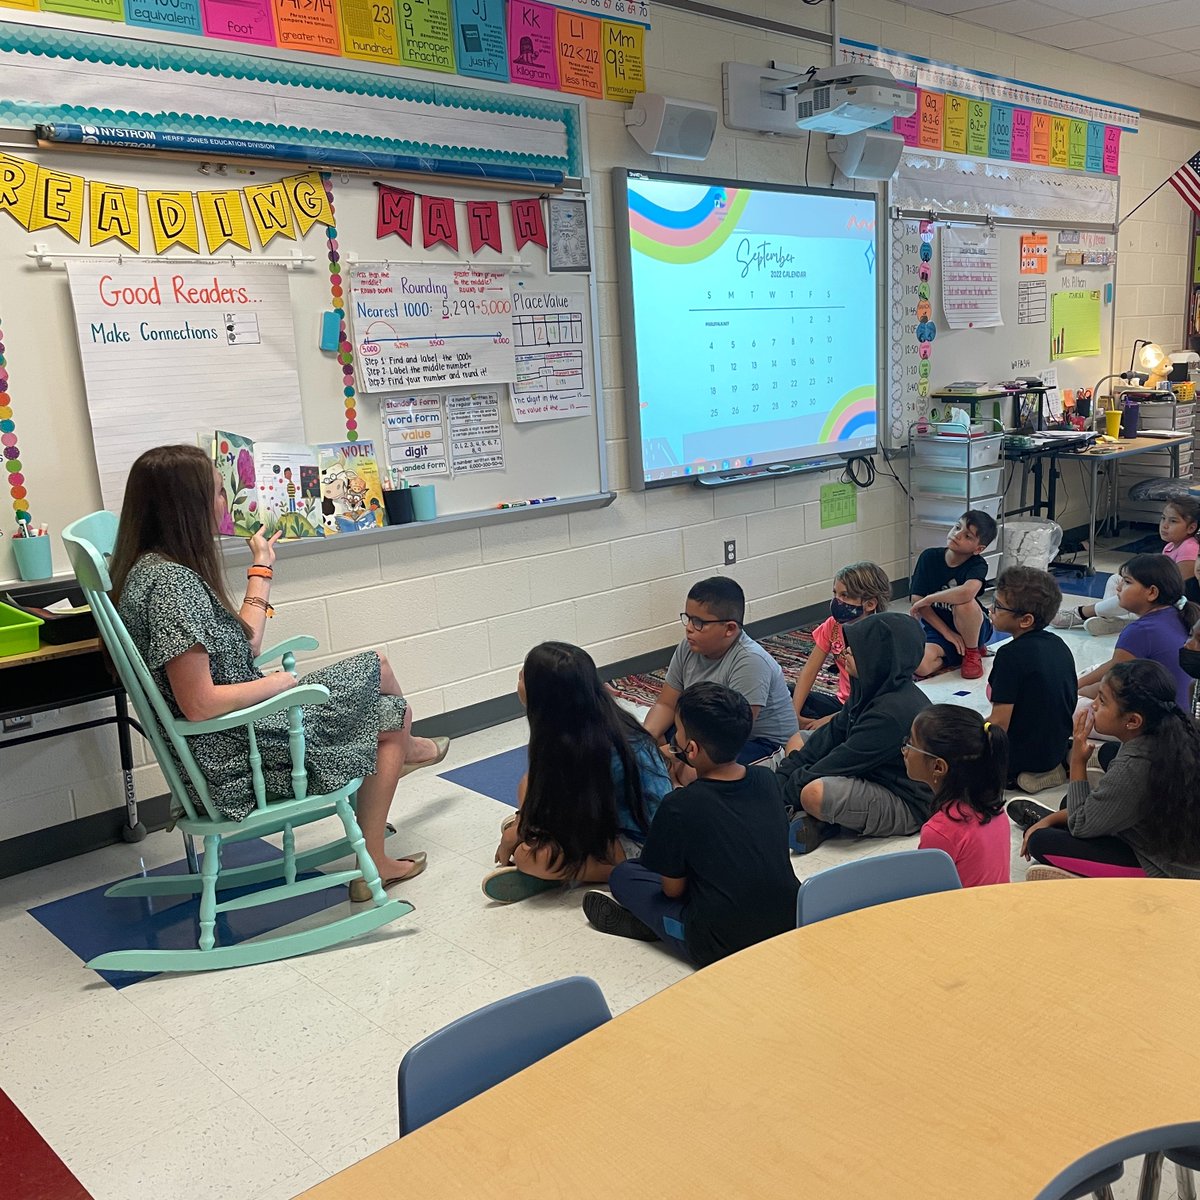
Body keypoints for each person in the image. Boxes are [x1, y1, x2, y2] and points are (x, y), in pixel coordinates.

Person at [111, 444, 446, 903]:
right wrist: (279, 685)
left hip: (233, 734)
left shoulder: (152, 570)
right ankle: (381, 842)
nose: (224, 503)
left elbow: (243, 645)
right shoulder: (172, 586)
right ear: (184, 506)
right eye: (215, 492)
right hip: (232, 754)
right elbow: (200, 702)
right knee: (389, 714)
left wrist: (261, 568)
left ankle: (405, 760)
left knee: (387, 700)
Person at [582, 682, 798, 968]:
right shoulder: (767, 780)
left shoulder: (679, 805)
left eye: (678, 732)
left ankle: (658, 928)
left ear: (691, 749)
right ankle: (659, 925)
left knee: (625, 876)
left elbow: (672, 890)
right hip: (790, 920)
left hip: (719, 943)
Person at [484, 642, 672, 903]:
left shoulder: (590, 745)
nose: (519, 680)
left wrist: (521, 832)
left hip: (642, 841)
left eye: (523, 676)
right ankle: (560, 859)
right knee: (528, 785)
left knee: (531, 855)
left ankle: (592, 871)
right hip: (602, 819)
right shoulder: (576, 726)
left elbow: (576, 812)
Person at [1020, 660, 1200, 880]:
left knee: (1042, 841)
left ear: (1133, 720)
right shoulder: (1171, 730)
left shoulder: (1133, 769)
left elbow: (1079, 826)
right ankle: (1068, 817)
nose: (1094, 705)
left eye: (1103, 701)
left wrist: (1077, 760)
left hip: (1166, 869)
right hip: (1172, 839)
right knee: (1077, 796)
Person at [775, 612, 933, 855]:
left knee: (813, 793)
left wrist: (777, 798)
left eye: (857, 650)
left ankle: (816, 818)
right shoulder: (870, 685)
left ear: (880, 658)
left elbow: (840, 762)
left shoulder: (890, 714)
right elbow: (831, 736)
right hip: (870, 771)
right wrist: (782, 779)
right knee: (800, 741)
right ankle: (818, 820)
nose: (845, 653)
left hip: (905, 799)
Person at [643, 576, 798, 768]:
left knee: (697, 772)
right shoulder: (687, 648)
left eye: (699, 622)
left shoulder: (750, 661)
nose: (689, 628)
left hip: (757, 743)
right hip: (705, 732)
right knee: (650, 739)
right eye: (688, 619)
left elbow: (730, 734)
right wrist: (645, 742)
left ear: (729, 629)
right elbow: (666, 704)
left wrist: (669, 754)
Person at [984, 566, 1077, 793]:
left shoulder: (1010, 655)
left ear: (1025, 620)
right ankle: (1059, 762)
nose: (990, 609)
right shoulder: (1058, 643)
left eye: (998, 606)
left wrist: (970, 733)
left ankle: (1022, 774)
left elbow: (999, 725)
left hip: (1023, 755)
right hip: (1055, 744)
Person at [1054, 497, 1200, 634]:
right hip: (1159, 596)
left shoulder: (1189, 547)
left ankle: (1081, 613)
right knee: (1117, 580)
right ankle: (1111, 619)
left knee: (1132, 590)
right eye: (1163, 518)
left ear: (1191, 528)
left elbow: (1174, 585)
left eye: (1173, 521)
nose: (1165, 525)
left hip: (1174, 604)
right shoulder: (1169, 547)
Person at [1075, 554, 1200, 711]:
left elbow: (1112, 681)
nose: (1119, 587)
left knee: (1062, 705)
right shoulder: (1176, 613)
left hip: (1155, 724)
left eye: (1127, 582)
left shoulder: (1140, 631)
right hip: (1180, 714)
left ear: (1152, 592)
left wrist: (1076, 689)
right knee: (1092, 671)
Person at [905, 705, 1011, 887]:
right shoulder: (995, 808)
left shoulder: (940, 831)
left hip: (964, 913)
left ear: (938, 767)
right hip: (996, 908)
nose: (905, 750)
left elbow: (924, 895)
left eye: (911, 743)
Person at [792, 561, 891, 735]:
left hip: (866, 709)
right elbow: (810, 669)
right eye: (836, 594)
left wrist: (831, 720)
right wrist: (794, 714)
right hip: (842, 704)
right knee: (786, 692)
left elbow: (874, 698)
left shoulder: (880, 637)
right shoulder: (833, 625)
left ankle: (828, 731)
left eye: (845, 595)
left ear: (870, 604)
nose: (838, 601)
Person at [910, 510, 998, 680]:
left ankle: (972, 652)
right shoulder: (929, 557)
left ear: (978, 549)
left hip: (974, 627)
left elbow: (967, 592)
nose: (957, 535)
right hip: (939, 629)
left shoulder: (978, 564)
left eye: (968, 536)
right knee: (920, 666)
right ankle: (956, 656)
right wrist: (947, 633)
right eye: (957, 527)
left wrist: (931, 598)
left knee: (964, 602)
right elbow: (917, 599)